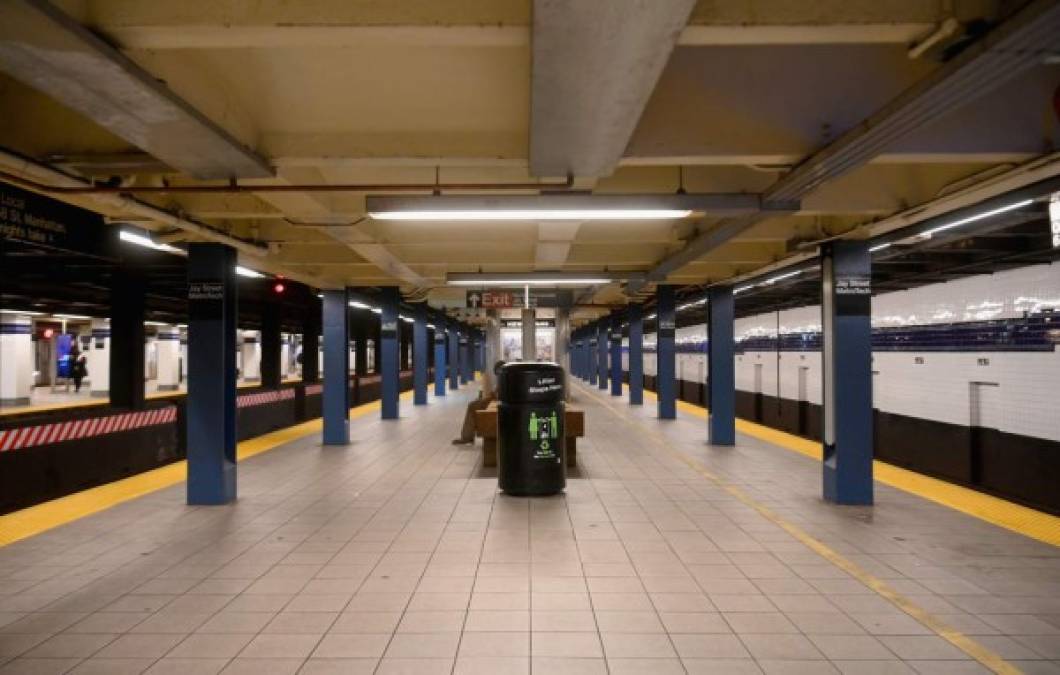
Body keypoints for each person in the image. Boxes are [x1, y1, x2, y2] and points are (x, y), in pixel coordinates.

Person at [452, 360, 504, 445]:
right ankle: (467, 436)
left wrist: (488, 397)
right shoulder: (505, 377)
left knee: (472, 406)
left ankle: (467, 437)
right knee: (473, 404)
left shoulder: (504, 378)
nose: (497, 375)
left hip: (496, 402)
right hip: (496, 401)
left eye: (497, 373)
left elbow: (497, 395)